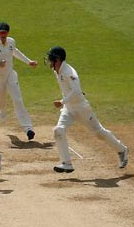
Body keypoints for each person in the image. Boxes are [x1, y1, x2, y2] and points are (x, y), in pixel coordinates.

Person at [44, 46, 128, 174]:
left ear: (58, 59)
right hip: (69, 109)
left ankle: (122, 150)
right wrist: (66, 103)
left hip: (82, 108)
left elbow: (76, 90)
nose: (49, 61)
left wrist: (62, 102)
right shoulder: (57, 70)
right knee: (58, 130)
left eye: (51, 58)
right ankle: (66, 163)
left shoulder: (69, 72)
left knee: (99, 133)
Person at [0, 21, 38, 141]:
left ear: (8, 32)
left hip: (10, 74)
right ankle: (2, 111)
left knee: (18, 99)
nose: (3, 35)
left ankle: (28, 128)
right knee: (1, 101)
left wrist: (28, 61)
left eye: (5, 33)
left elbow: (14, 51)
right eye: (1, 33)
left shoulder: (11, 41)